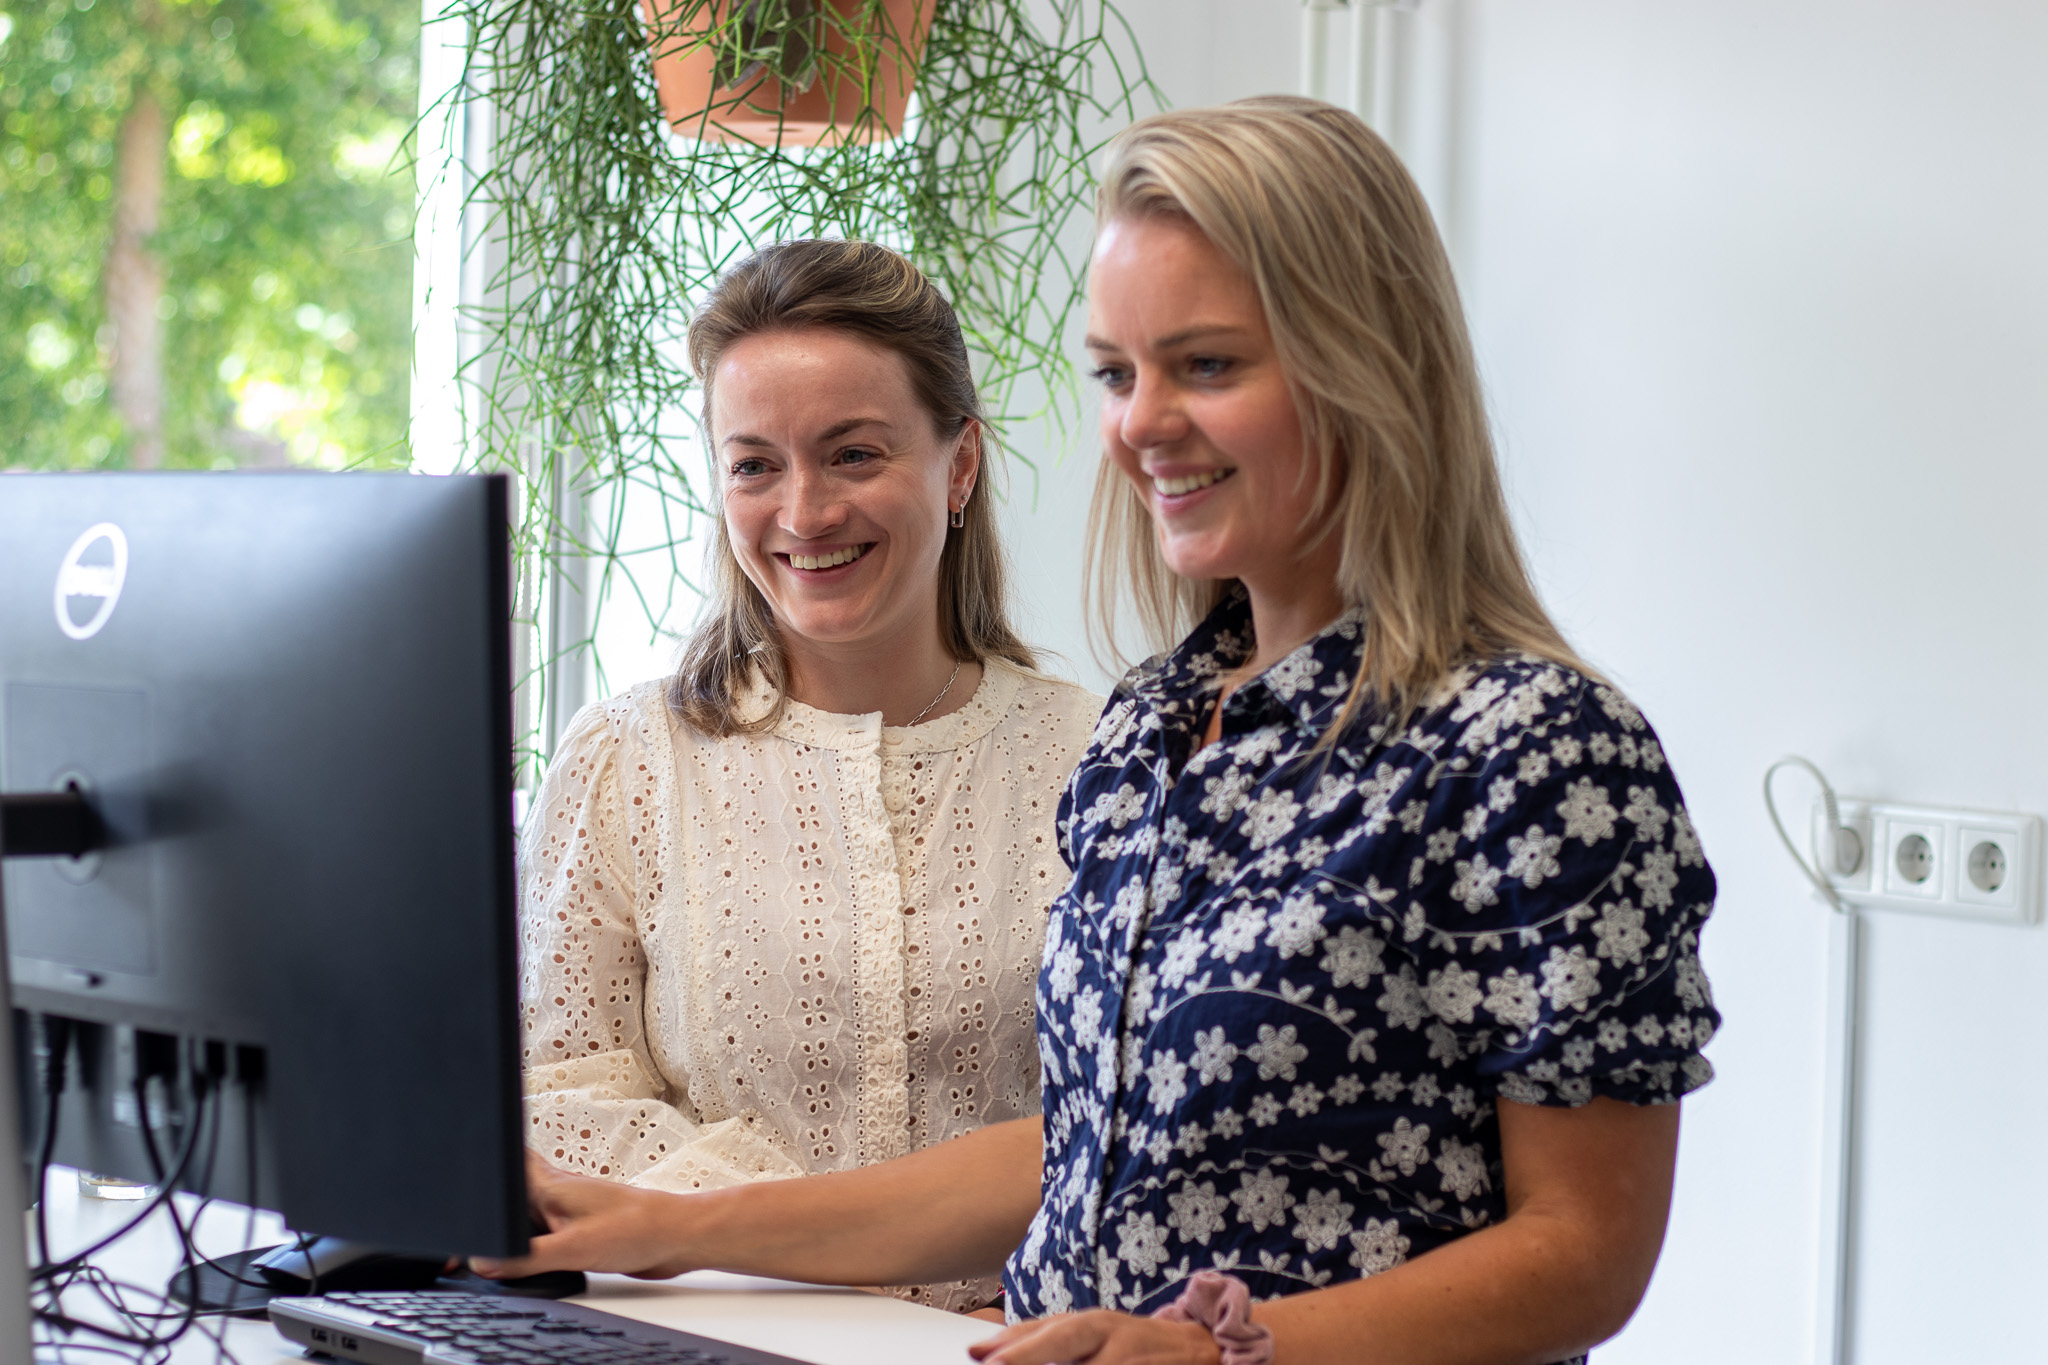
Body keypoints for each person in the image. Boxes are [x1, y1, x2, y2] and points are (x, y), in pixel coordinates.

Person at [485, 99, 1720, 1365]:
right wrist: (673, 1225)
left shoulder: (1534, 749)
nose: (1137, 424)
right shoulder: (1149, 729)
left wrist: (1226, 1354)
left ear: (1367, 365)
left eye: (1206, 366)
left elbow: (1584, 1252)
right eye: (1118, 375)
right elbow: (1071, 1149)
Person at [515, 238, 1102, 1313]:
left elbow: (1131, 1125)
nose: (804, 513)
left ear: (959, 464)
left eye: (853, 454)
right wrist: (811, 1244)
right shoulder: (624, 759)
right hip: (721, 1331)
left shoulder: (1100, 758)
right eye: (754, 465)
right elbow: (556, 1096)